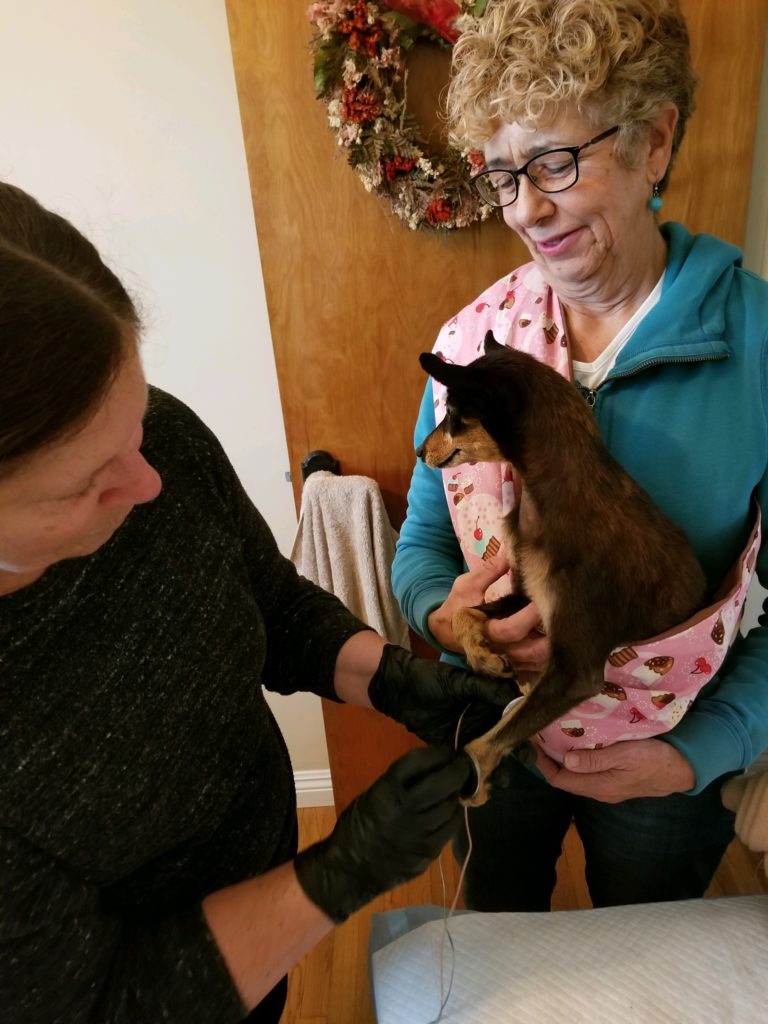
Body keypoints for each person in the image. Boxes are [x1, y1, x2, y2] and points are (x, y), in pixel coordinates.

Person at [0, 181, 513, 1024]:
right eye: (91, 482)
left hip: (259, 895)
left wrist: (385, 677)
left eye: (136, 425)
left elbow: (265, 599)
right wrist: (338, 875)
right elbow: (110, 1002)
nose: (148, 482)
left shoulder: (155, 443)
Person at [393, 0, 768, 913]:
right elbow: (423, 544)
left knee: (643, 954)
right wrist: (447, 620)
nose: (525, 207)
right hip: (497, 728)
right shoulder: (477, 343)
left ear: (655, 143)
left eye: (557, 161)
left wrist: (703, 750)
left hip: (666, 741)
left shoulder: (756, 346)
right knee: (498, 928)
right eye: (504, 171)